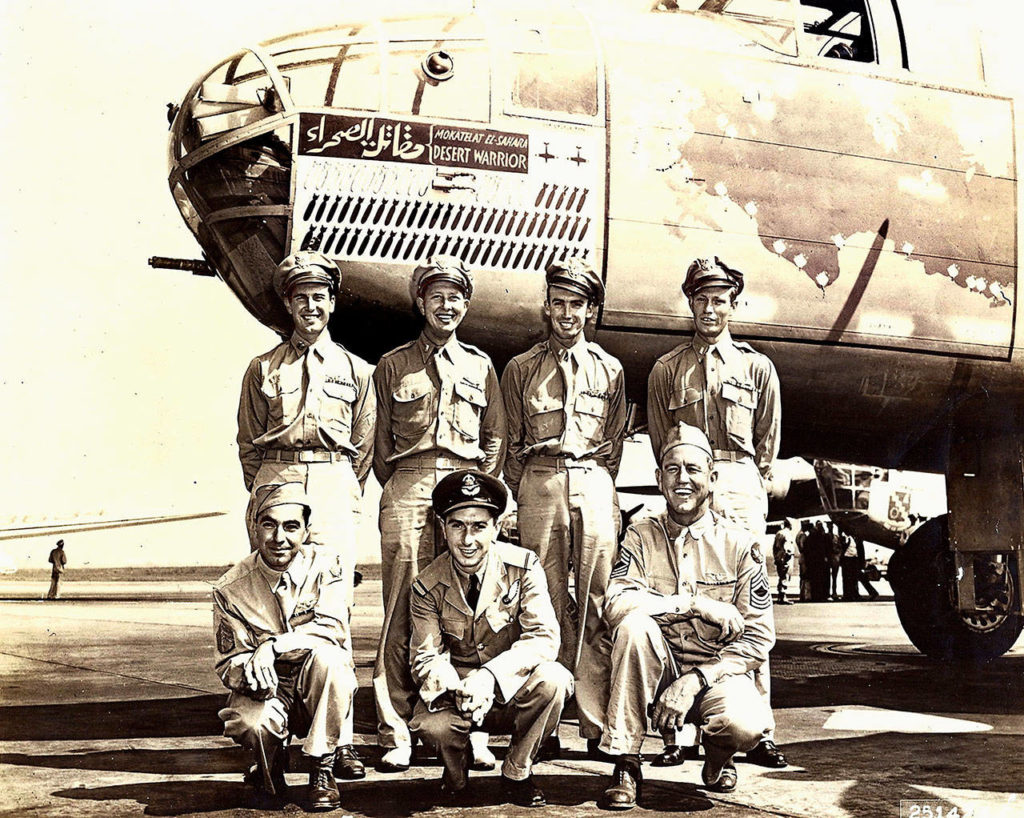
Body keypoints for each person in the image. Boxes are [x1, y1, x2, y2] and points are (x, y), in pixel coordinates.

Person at [236, 250, 375, 780]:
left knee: (332, 605)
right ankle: (271, 729)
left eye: (320, 297)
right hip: (277, 474)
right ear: (288, 305)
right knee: (275, 602)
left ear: (332, 303)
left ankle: (335, 742)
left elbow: (362, 446)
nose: (311, 306)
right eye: (300, 298)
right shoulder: (263, 368)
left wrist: (338, 488)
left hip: (334, 480)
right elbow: (249, 441)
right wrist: (270, 487)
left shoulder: (357, 370)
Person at [645, 256, 785, 769]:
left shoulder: (757, 367)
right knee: (683, 593)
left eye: (719, 299)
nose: (710, 308)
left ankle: (760, 725)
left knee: (749, 604)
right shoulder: (667, 369)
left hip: (741, 482)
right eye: (701, 299)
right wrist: (686, 479)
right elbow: (664, 440)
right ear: (690, 303)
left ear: (733, 302)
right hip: (690, 478)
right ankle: (673, 734)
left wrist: (745, 480)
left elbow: (766, 442)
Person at [372, 256, 506, 771]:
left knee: (469, 614)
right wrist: (409, 485)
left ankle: (469, 728)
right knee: (401, 612)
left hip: (464, 493)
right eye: (436, 296)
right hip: (409, 487)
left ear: (465, 305)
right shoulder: (392, 365)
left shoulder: (479, 364)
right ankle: (397, 731)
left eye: (455, 297)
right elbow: (379, 444)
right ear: (420, 303)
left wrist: (476, 494)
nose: (446, 305)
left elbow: (494, 437)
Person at [598, 423, 775, 809]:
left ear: (712, 478)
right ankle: (626, 762)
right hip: (655, 669)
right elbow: (615, 602)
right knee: (634, 627)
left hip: (714, 674)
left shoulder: (741, 545)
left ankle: (718, 757)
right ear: (659, 479)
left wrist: (695, 680)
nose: (683, 479)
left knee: (746, 724)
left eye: (693, 469)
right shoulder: (640, 537)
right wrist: (691, 604)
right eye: (673, 469)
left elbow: (759, 637)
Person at [500, 257, 626, 755]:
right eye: (558, 303)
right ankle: (545, 722)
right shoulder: (520, 369)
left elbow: (613, 441)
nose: (567, 313)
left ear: (590, 311)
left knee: (595, 603)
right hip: (540, 482)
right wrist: (524, 490)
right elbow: (510, 441)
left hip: (592, 480)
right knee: (543, 603)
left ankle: (593, 722)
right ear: (546, 306)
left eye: (577, 304)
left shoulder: (610, 369)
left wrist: (594, 481)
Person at [408, 469, 572, 807]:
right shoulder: (426, 585)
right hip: (461, 695)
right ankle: (456, 772)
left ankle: (517, 771)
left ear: (496, 528)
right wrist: (458, 688)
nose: (467, 540)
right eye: (457, 525)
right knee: (430, 725)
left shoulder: (523, 568)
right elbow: (425, 657)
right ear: (443, 529)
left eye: (479, 526)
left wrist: (489, 678)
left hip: (510, 688)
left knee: (554, 680)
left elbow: (543, 638)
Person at [213, 483, 357, 811]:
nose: (280, 537)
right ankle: (269, 766)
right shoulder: (230, 587)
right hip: (266, 686)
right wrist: (250, 671)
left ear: (306, 531)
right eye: (269, 524)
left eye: (291, 526)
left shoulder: (326, 565)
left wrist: (272, 647)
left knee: (333, 661)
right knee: (250, 723)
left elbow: (332, 628)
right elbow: (227, 660)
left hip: (314, 683)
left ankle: (322, 768)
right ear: (255, 528)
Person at [772, 520, 797, 604]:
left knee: (781, 576)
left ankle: (780, 596)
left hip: (779, 557)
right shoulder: (787, 534)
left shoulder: (779, 533)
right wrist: (787, 556)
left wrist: (776, 557)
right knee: (785, 576)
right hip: (786, 558)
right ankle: (783, 596)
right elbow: (787, 548)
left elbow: (775, 547)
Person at [827, 523, 844, 601]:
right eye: (829, 527)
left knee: (834, 577)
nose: (830, 528)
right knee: (826, 577)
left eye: (831, 527)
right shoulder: (825, 536)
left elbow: (840, 547)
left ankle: (834, 592)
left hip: (835, 558)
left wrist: (838, 554)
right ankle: (827, 593)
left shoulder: (836, 537)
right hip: (828, 558)